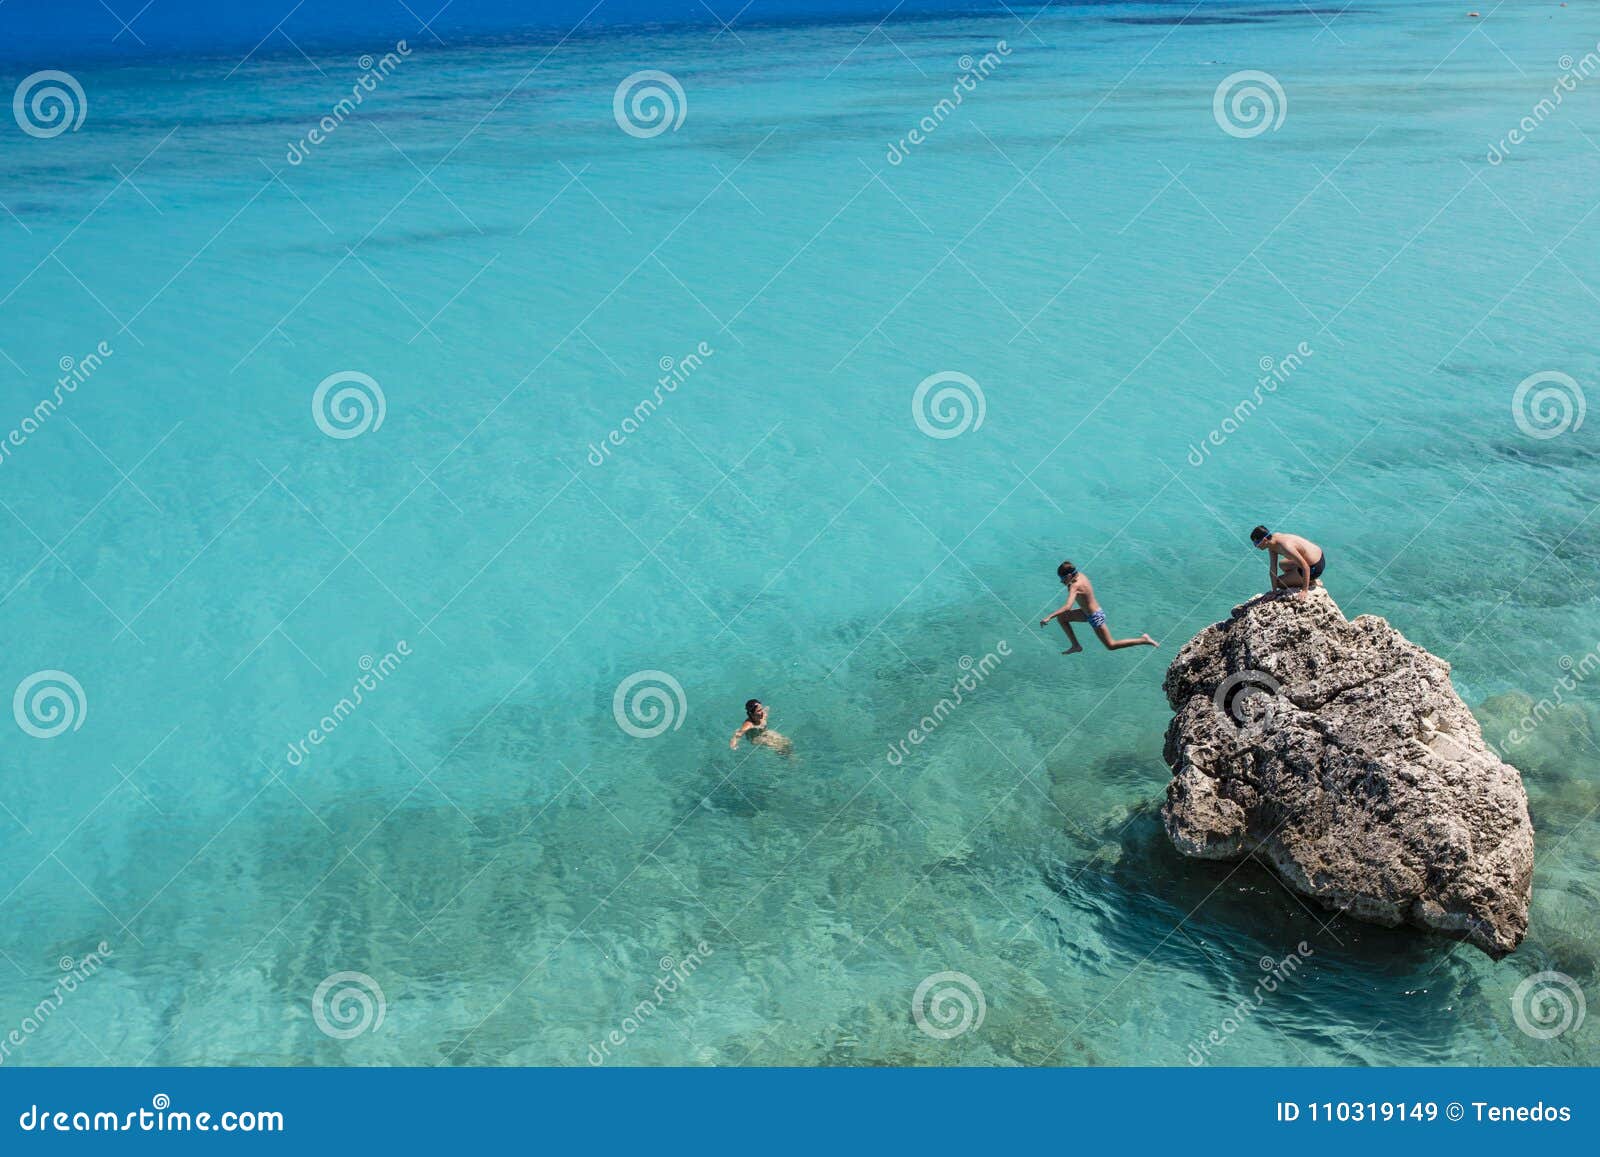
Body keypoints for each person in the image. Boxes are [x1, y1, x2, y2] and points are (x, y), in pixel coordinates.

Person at [1039, 561, 1158, 653]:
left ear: (1069, 576)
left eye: (1062, 579)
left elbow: (1068, 607)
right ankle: (1076, 645)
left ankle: (1143, 640)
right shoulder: (1081, 576)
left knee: (1111, 645)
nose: (1061, 582)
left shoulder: (1075, 585)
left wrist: (1049, 617)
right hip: (1086, 612)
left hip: (1095, 616)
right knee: (1062, 618)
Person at [1251, 525, 1325, 600]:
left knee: (1279, 583)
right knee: (1282, 564)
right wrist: (1274, 591)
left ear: (1264, 540)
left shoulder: (1286, 547)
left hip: (1315, 567)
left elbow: (1306, 567)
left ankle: (1310, 581)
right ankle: (1296, 577)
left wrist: (1304, 590)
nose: (1256, 546)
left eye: (1256, 543)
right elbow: (1273, 568)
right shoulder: (1272, 540)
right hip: (1317, 554)